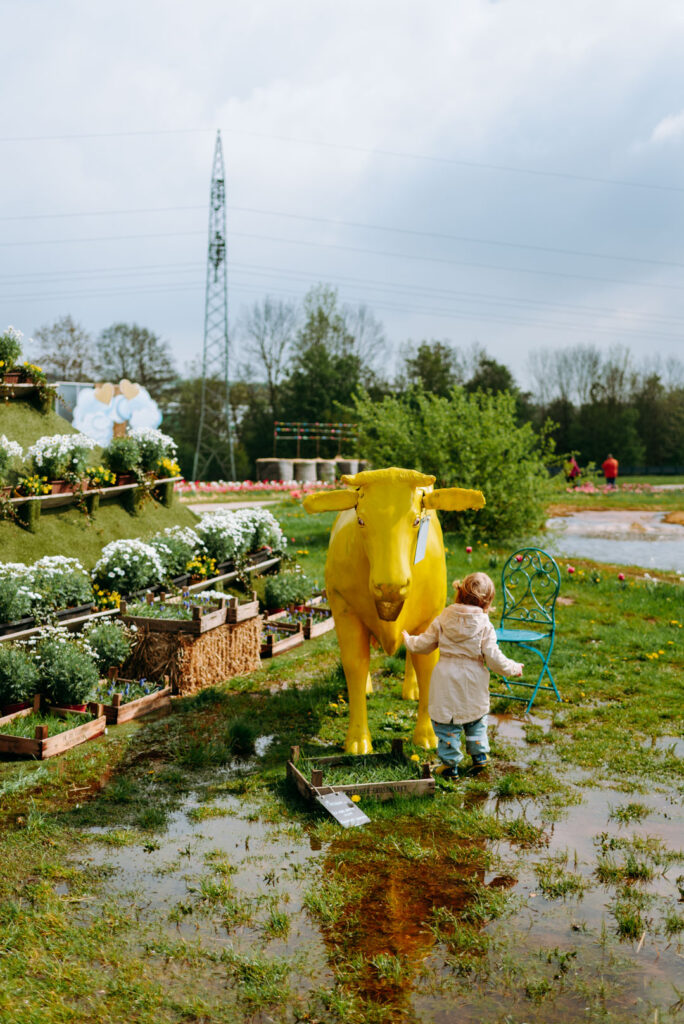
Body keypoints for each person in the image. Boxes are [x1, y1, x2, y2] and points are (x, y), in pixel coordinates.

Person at [402, 572, 523, 782]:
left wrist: (408, 640)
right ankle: (479, 755)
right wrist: (513, 668)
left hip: (446, 676)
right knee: (476, 718)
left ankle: (450, 766)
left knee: (446, 722)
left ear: (459, 593)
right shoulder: (485, 625)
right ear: (488, 601)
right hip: (473, 677)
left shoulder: (443, 618)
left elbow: (424, 644)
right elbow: (493, 658)